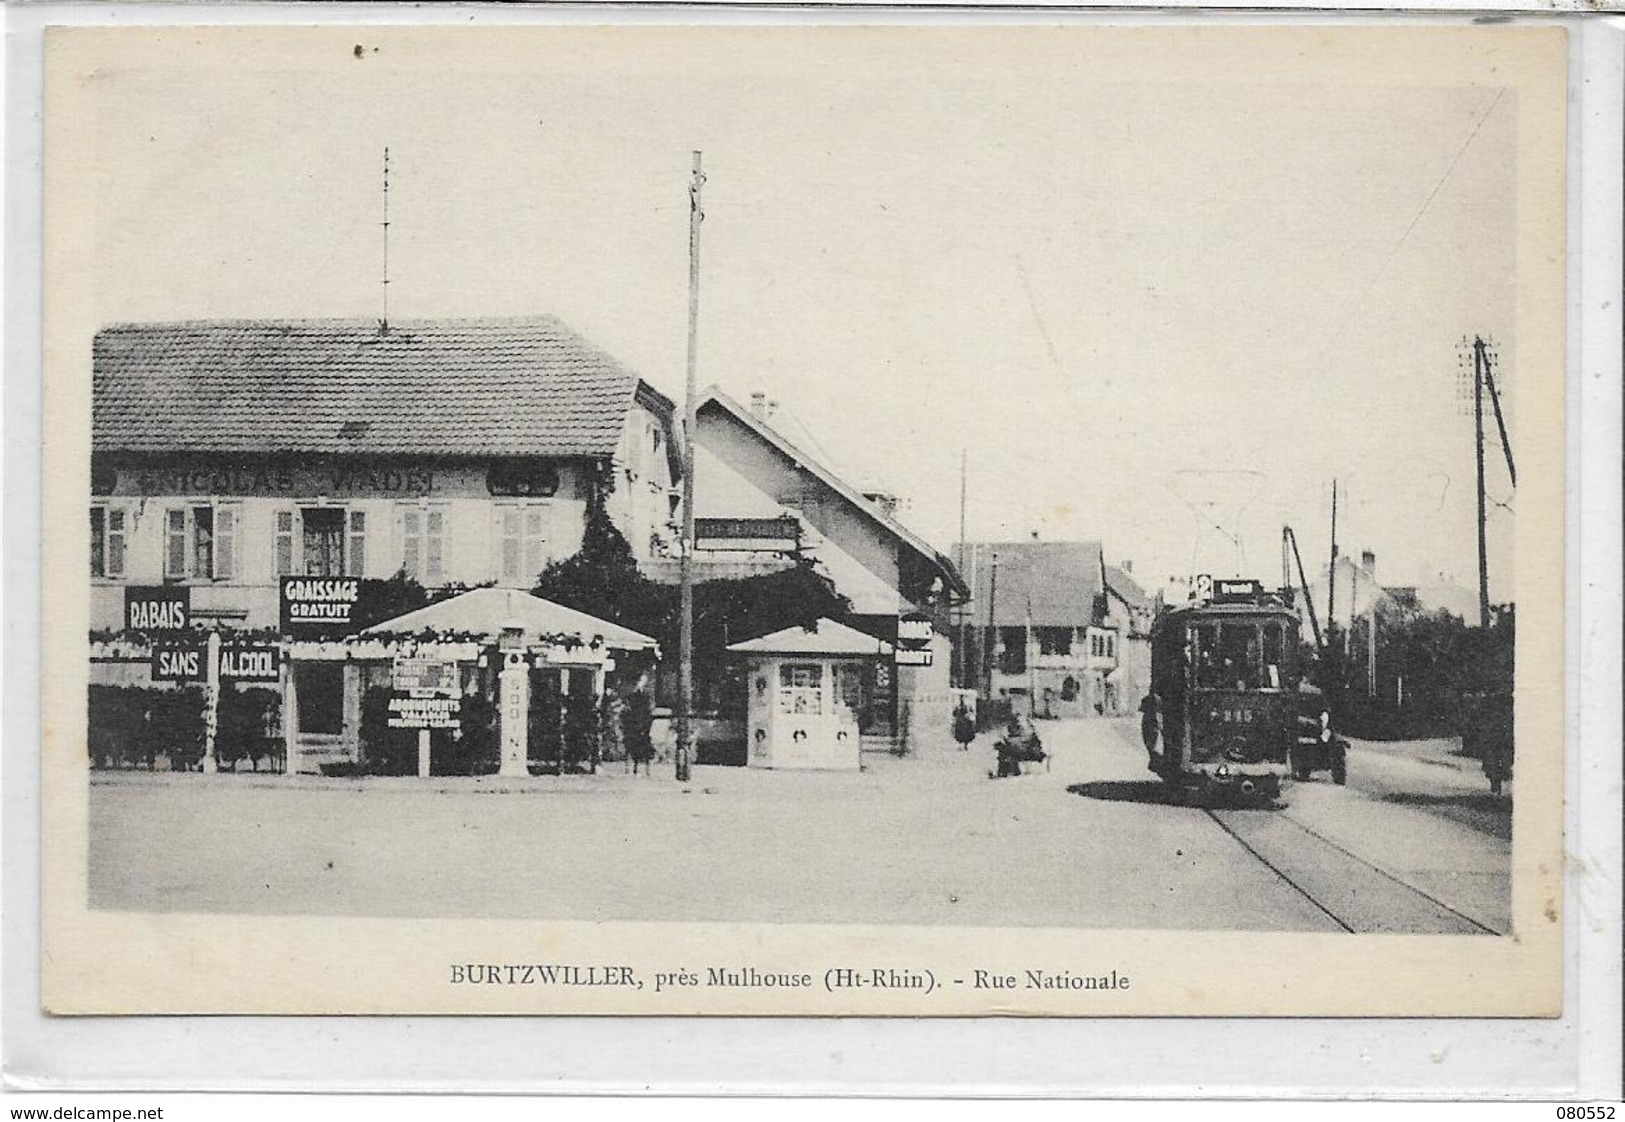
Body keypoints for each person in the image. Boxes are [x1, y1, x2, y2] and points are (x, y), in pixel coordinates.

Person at [1139, 693, 1160, 765]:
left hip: (1149, 721)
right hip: (1152, 720)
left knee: (1149, 741)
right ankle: (1153, 757)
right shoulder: (1156, 699)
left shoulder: (1148, 699)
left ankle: (1153, 758)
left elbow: (1141, 709)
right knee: (1151, 741)